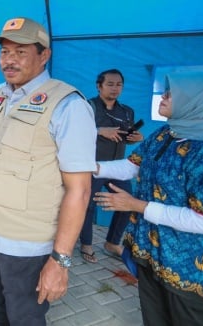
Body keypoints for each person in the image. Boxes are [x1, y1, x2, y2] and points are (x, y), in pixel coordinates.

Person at [0, 17, 97, 325]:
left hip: (25, 244)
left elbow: (80, 189)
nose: (9, 60)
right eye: (4, 52)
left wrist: (60, 260)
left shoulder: (67, 105)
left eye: (20, 52)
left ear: (44, 55)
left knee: (23, 317)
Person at [93, 71, 203, 326]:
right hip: (151, 255)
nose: (163, 96)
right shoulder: (166, 133)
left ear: (198, 100)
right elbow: (131, 166)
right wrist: (89, 167)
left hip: (190, 269)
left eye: (172, 93)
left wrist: (137, 206)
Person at [79, 69, 144, 263]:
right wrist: (99, 130)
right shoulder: (87, 107)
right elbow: (74, 134)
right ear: (99, 86)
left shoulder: (126, 111)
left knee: (128, 203)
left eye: (119, 85)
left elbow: (125, 139)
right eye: (110, 84)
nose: (115, 88)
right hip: (92, 167)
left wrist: (136, 138)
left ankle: (112, 242)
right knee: (87, 206)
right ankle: (86, 244)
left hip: (118, 167)